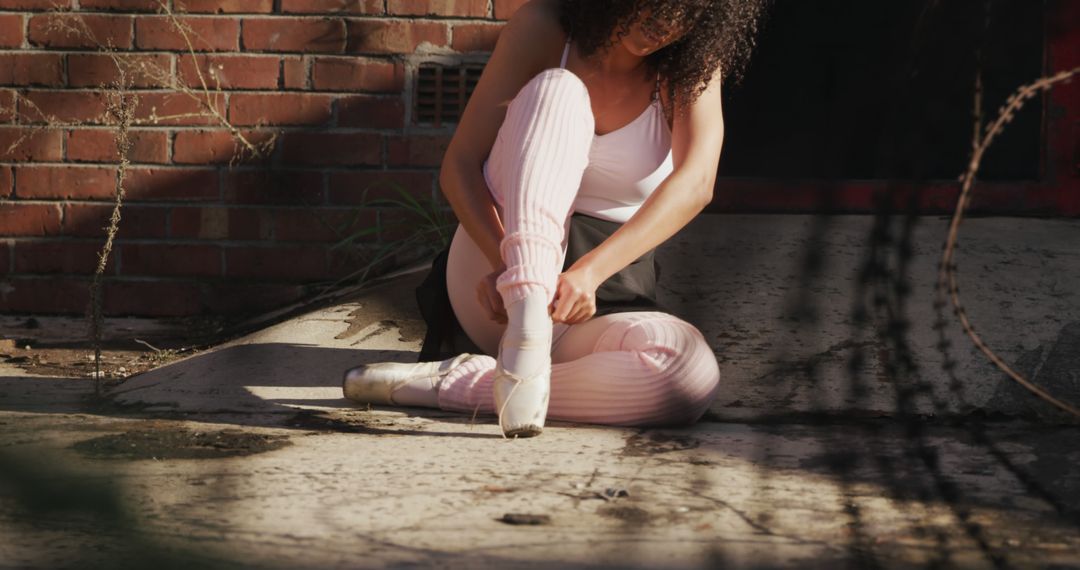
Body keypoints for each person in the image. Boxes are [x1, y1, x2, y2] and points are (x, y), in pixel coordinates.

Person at [343, 0, 767, 438]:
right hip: (498, 271)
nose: (667, 20)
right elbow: (460, 166)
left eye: (689, 10)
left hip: (601, 291)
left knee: (686, 372)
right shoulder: (545, 28)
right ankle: (524, 338)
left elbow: (697, 181)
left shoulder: (690, 62)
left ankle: (461, 384)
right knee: (559, 89)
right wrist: (508, 267)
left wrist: (590, 273)